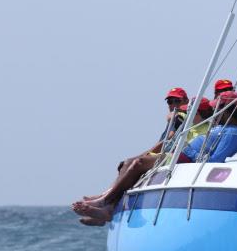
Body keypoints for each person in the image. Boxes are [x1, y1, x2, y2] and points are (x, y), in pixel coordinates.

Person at [72, 94, 216, 226]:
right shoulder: (189, 126)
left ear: (196, 112)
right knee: (128, 163)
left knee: (138, 164)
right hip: (170, 156)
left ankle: (105, 200)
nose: (184, 113)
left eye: (188, 111)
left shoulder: (205, 129)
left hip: (181, 160)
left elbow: (189, 150)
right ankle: (107, 206)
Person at [180, 91, 237, 163]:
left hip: (185, 159)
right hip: (181, 155)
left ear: (226, 112)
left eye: (216, 109)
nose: (213, 113)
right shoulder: (226, 128)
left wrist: (186, 150)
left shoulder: (231, 133)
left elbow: (214, 161)